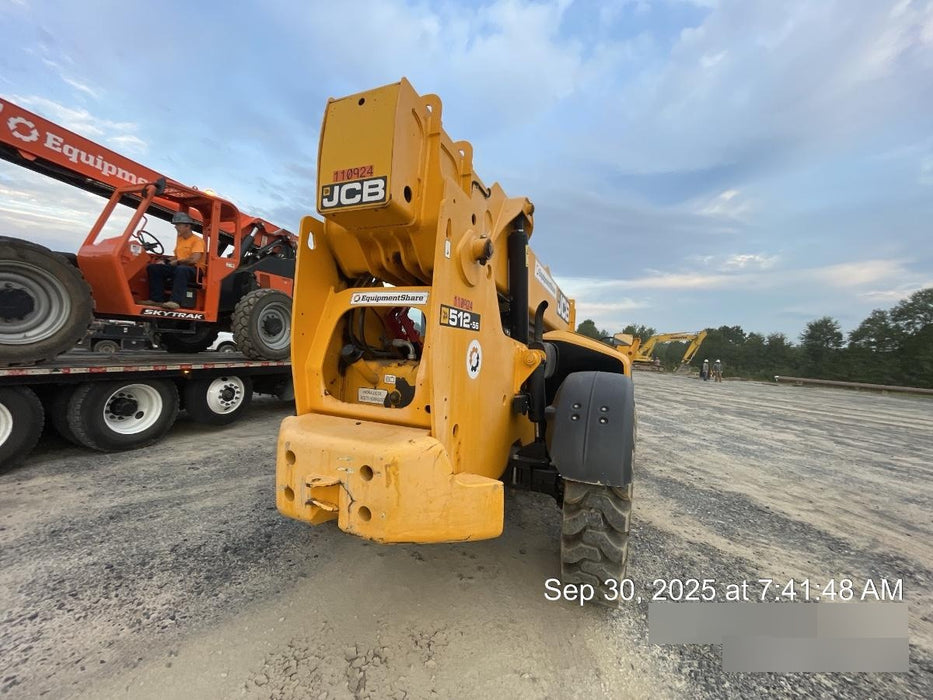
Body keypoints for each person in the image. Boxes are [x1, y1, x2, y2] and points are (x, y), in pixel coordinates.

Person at [141, 212, 206, 309]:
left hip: (195, 270)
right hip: (181, 267)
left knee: (181, 270)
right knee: (154, 268)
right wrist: (165, 261)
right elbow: (176, 256)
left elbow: (194, 259)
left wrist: (178, 262)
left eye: (178, 225)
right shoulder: (180, 239)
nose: (175, 227)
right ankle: (156, 300)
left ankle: (175, 301)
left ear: (187, 226)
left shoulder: (197, 240)